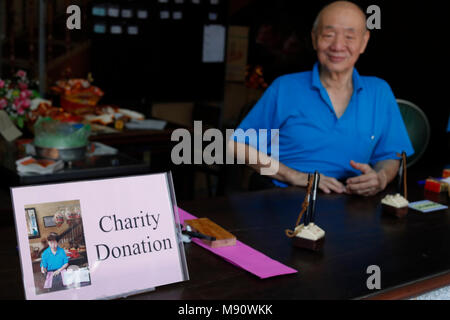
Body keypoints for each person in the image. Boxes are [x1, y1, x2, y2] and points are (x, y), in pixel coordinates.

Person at [229, 1, 414, 197]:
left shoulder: (379, 91)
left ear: (364, 42)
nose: (338, 46)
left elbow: (390, 155)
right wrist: (294, 176)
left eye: (350, 37)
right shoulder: (285, 88)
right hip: (287, 198)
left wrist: (380, 178)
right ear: (315, 38)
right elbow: (239, 147)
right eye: (328, 35)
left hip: (353, 203)